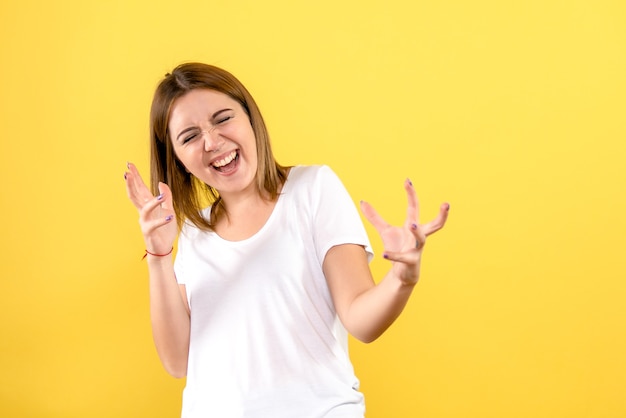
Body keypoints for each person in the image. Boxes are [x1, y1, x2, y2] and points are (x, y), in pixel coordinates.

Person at [124, 62, 449, 418]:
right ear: (179, 160)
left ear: (251, 119)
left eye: (222, 118)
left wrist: (402, 279)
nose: (212, 142)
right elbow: (177, 362)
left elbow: (360, 320)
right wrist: (158, 256)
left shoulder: (313, 189)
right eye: (189, 137)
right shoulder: (191, 233)